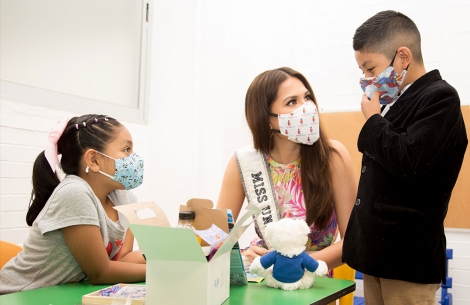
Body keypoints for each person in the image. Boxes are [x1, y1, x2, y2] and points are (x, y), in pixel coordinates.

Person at [342, 11, 468, 305]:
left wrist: (373, 119)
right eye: (362, 70)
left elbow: (409, 161)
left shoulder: (441, 97)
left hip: (407, 258)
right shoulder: (397, 101)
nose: (367, 79)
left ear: (402, 57)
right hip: (379, 256)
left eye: (370, 68)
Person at [216, 67, 357, 271]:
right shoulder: (244, 162)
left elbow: (353, 242)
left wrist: (300, 264)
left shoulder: (333, 156)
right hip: (265, 277)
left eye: (307, 98)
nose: (307, 107)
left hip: (314, 280)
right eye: (292, 102)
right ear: (266, 118)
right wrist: (244, 256)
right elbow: (217, 239)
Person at [0, 114, 146, 294]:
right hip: (19, 295)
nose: (134, 159)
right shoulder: (74, 193)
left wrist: (168, 258)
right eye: (126, 149)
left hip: (64, 294)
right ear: (93, 160)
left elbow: (122, 260)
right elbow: (102, 272)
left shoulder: (125, 199)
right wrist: (160, 271)